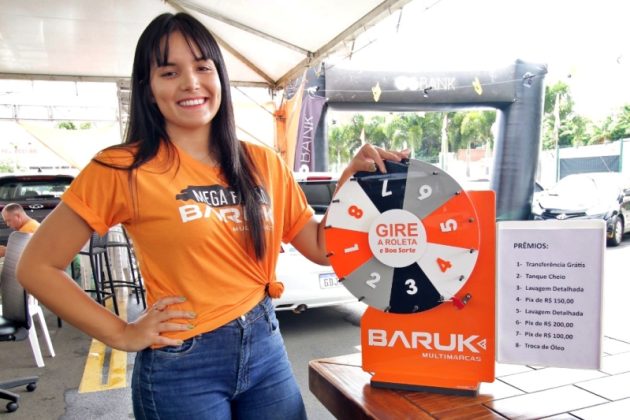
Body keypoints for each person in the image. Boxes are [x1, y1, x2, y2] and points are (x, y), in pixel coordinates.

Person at [17, 12, 408, 420]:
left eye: (203, 67)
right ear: (148, 89)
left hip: (266, 347)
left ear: (219, 76)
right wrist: (123, 333)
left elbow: (322, 246)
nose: (191, 83)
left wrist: (351, 182)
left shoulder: (262, 162)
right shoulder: (122, 169)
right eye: (169, 72)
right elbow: (37, 267)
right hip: (183, 365)